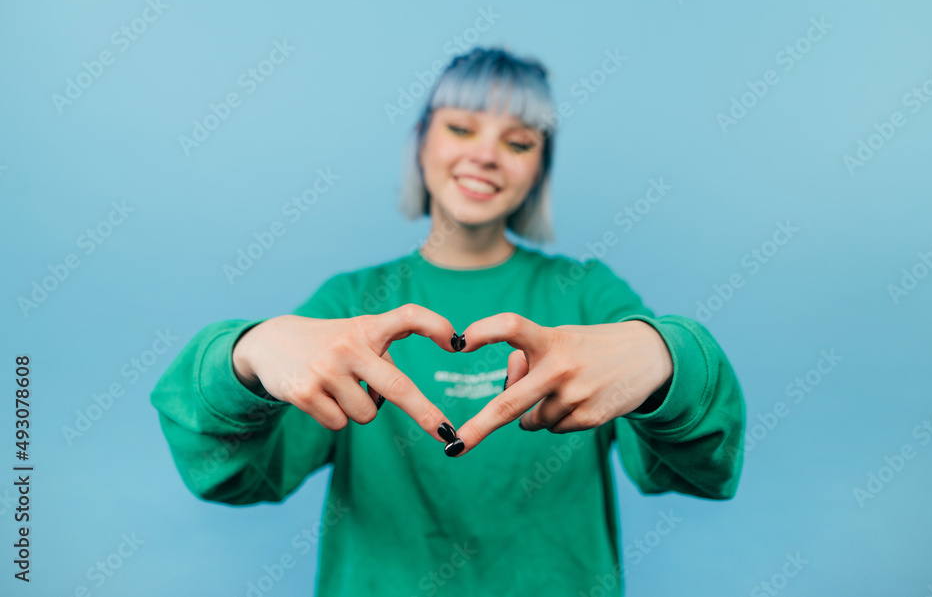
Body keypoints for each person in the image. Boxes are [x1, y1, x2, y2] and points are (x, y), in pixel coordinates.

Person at [150, 46, 746, 597]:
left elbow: (700, 471)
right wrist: (242, 358)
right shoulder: (349, 302)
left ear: (540, 169)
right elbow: (229, 477)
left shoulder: (588, 295)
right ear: (420, 142)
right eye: (461, 127)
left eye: (518, 142)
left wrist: (668, 359)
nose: (484, 153)